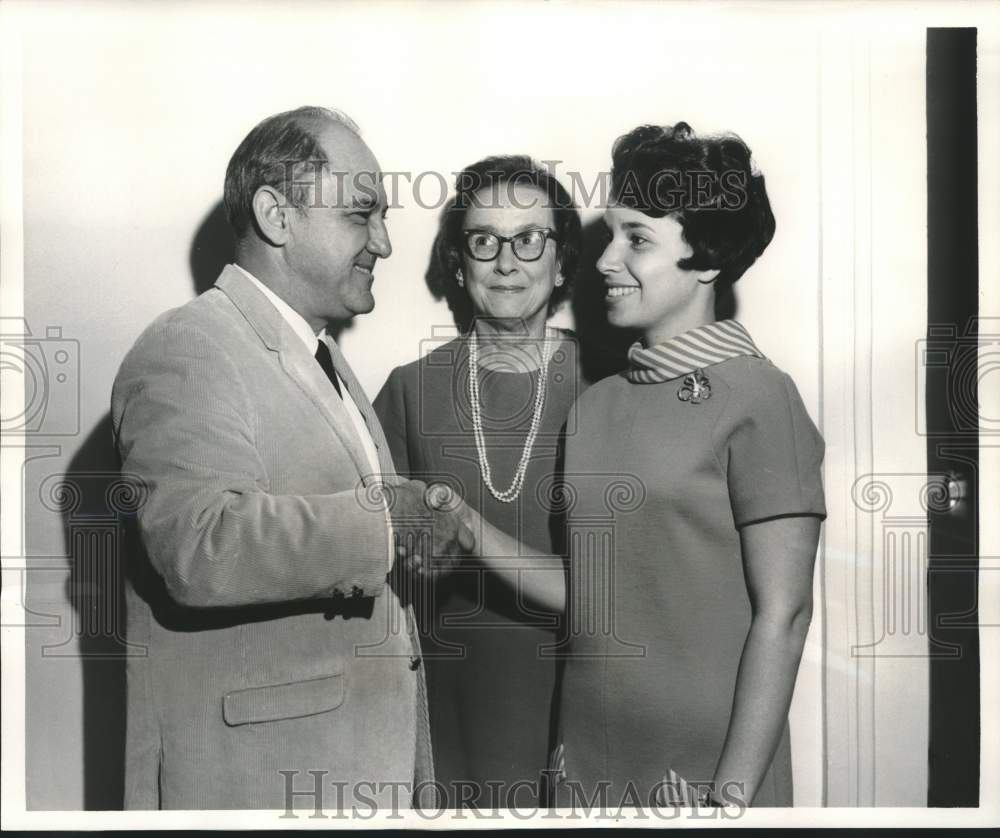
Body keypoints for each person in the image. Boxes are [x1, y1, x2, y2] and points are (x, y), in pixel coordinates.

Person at [110, 106, 472, 810]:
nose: (386, 244)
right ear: (276, 216)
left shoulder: (322, 354)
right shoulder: (189, 347)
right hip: (258, 786)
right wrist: (385, 524)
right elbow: (199, 545)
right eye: (362, 215)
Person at [459, 122, 826, 808]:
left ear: (706, 257)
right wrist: (467, 529)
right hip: (585, 762)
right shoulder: (597, 408)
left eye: (637, 238)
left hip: (705, 775)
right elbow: (592, 594)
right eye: (610, 236)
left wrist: (732, 798)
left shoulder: (761, 399)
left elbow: (787, 612)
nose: (603, 262)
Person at [373, 156, 587, 809]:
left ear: (561, 262)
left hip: (577, 694)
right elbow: (372, 551)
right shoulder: (410, 391)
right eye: (484, 241)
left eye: (529, 239)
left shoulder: (611, 384)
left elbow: (636, 581)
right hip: (446, 698)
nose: (506, 262)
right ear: (458, 265)